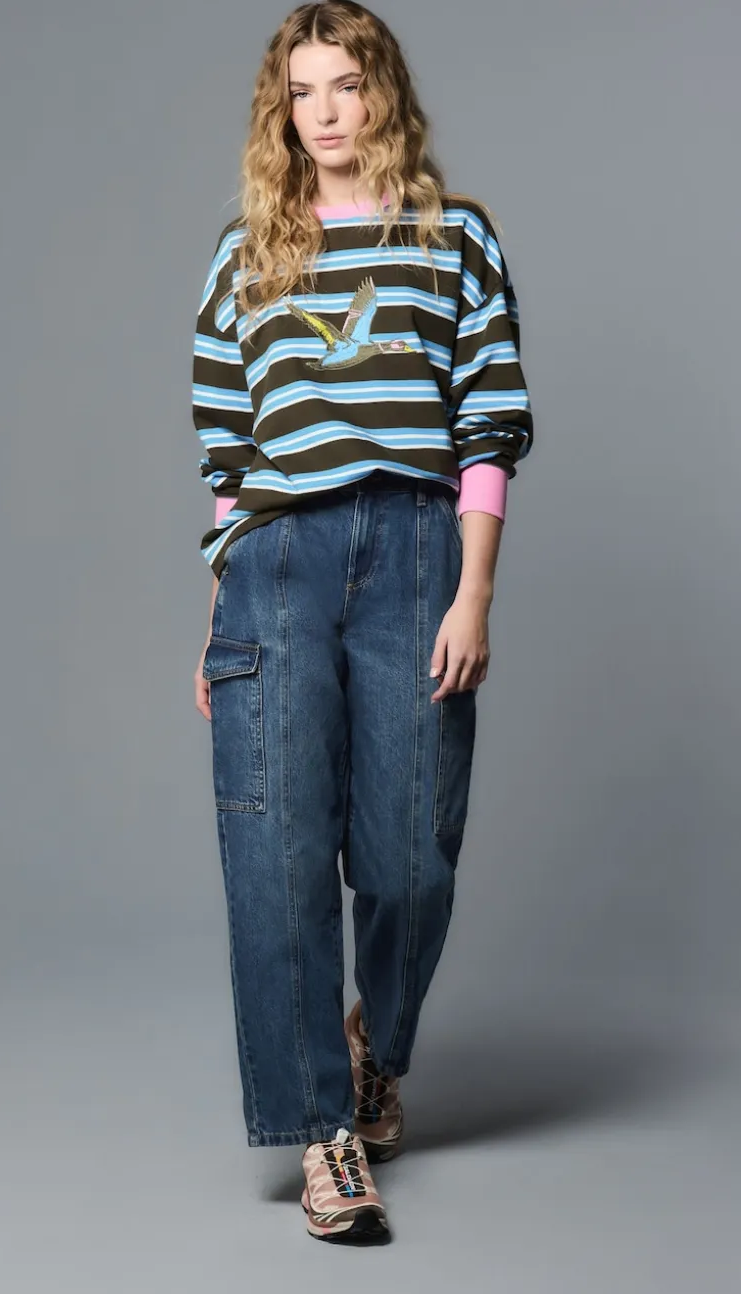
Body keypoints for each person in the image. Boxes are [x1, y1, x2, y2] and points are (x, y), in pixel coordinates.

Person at [190, 0, 533, 1245]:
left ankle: (375, 1046)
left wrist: (472, 590)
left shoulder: (452, 238)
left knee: (409, 857)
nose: (324, 112)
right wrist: (219, 612)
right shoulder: (247, 254)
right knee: (277, 858)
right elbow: (228, 455)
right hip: (275, 561)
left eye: (345, 84)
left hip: (415, 552)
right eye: (302, 92)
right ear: (279, 110)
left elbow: (488, 416)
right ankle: (321, 1133)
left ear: (382, 90)